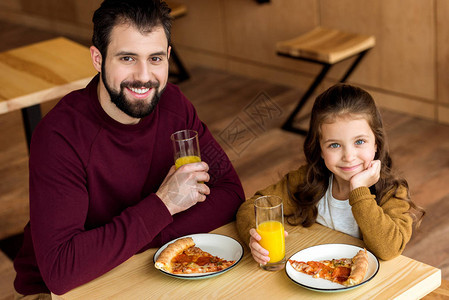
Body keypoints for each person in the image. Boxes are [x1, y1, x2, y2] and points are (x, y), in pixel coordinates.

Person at [13, 0, 244, 297]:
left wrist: (140, 235)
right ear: (98, 59)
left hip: (142, 266)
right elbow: (61, 269)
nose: (144, 76)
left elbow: (230, 195)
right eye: (127, 58)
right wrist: (165, 204)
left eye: (156, 59)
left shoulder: (174, 104)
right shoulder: (59, 136)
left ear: (169, 57)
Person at [236, 84, 425, 265]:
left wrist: (359, 190)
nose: (349, 157)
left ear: (376, 143)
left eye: (359, 142)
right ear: (319, 148)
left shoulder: (391, 191)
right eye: (334, 145)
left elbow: (389, 249)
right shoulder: (307, 180)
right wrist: (254, 236)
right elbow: (253, 206)